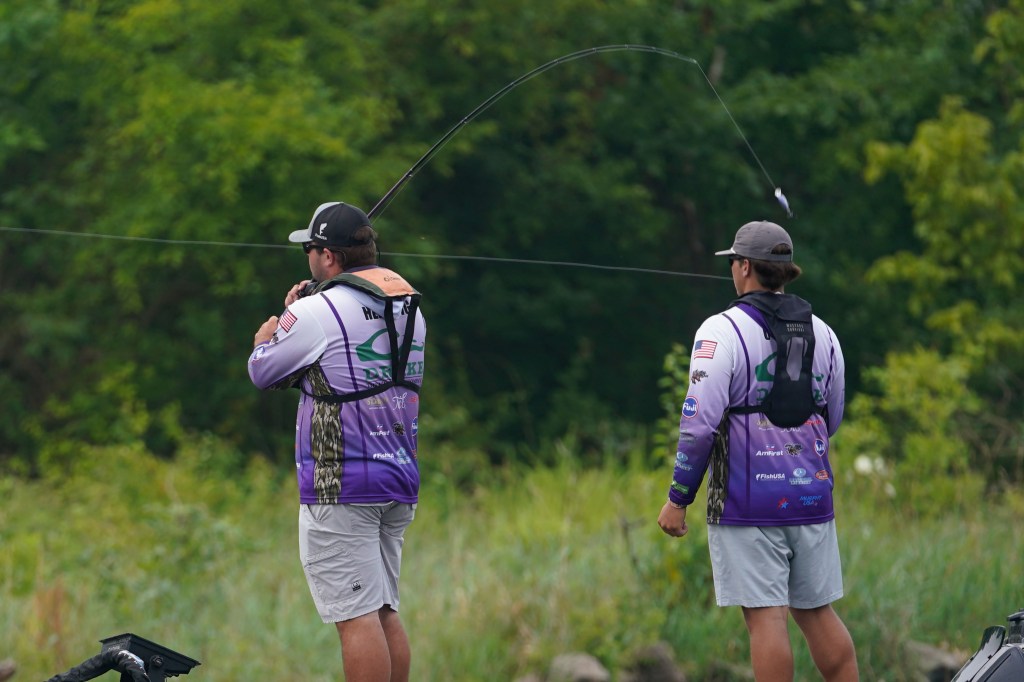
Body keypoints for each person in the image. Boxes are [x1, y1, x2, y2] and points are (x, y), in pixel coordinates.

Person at [656, 220, 858, 682]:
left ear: (745, 266)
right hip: (812, 498)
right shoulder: (825, 333)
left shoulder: (720, 331)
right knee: (817, 613)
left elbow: (699, 427)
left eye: (733, 261)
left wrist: (678, 498)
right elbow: (834, 416)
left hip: (747, 505)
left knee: (766, 619)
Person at [248, 201, 426, 682]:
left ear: (328, 256)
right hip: (398, 476)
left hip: (340, 484)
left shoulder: (314, 312)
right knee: (383, 608)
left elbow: (263, 371)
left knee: (355, 617)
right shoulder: (408, 309)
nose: (307, 256)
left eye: (309, 248)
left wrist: (274, 328)